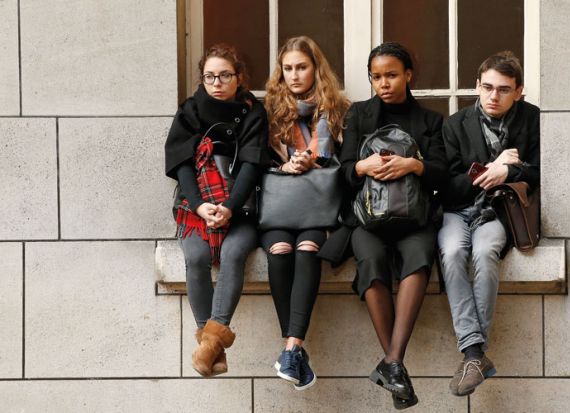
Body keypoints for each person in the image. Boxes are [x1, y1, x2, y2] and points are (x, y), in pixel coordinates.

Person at [339, 42, 447, 409]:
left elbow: (443, 173)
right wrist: (360, 167)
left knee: (419, 256)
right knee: (369, 261)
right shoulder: (359, 115)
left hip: (415, 220)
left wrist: (413, 165)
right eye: (376, 77)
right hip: (367, 220)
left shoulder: (430, 121)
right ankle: (395, 364)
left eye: (391, 75)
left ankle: (392, 362)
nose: (383, 83)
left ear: (408, 75)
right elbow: (340, 173)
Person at [438, 51, 540, 396]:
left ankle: (472, 354)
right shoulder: (454, 124)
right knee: (452, 254)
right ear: (476, 86)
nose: (493, 96)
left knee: (485, 253)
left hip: (497, 212)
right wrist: (492, 166)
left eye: (504, 90)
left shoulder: (532, 120)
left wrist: (510, 171)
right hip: (456, 210)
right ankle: (476, 354)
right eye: (487, 88)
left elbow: (540, 171)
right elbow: (447, 185)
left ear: (519, 91)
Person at [164, 44, 268, 377]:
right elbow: (181, 163)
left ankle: (208, 346)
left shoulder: (253, 112)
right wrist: (200, 205)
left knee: (234, 252)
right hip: (196, 207)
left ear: (239, 77)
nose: (217, 82)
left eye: (224, 75)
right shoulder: (190, 110)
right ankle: (212, 346)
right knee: (195, 258)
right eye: (210, 76)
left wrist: (228, 207)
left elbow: (252, 164)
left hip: (240, 208)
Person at [263, 36, 349, 390]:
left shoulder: (338, 110)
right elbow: (259, 161)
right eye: (288, 69)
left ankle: (291, 347)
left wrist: (313, 161)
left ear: (316, 69)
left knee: (307, 249)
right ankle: (294, 348)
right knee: (281, 250)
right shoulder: (270, 111)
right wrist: (284, 167)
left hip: (319, 207)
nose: (295, 75)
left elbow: (344, 163)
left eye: (302, 67)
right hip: (280, 206)